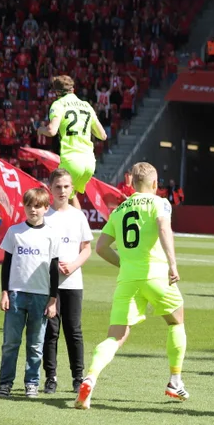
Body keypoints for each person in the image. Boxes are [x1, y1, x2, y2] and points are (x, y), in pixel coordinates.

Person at [76, 162, 187, 410]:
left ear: (130, 183)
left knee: (115, 336)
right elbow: (163, 227)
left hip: (128, 279)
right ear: (156, 184)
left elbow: (101, 247)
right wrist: (172, 264)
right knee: (176, 320)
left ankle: (90, 377)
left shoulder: (119, 210)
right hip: (156, 274)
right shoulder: (160, 203)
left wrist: (125, 264)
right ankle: (175, 381)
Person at [0, 187, 60, 399]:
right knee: (10, 343)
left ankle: (31, 383)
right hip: (16, 294)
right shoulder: (14, 232)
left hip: (41, 297)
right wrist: (4, 292)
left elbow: (54, 269)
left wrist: (53, 299)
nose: (33, 210)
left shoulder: (52, 235)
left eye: (37, 206)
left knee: (35, 345)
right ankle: (5, 384)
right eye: (29, 205)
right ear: (23, 206)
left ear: (45, 208)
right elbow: (6, 265)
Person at [43, 169, 93, 394]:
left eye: (66, 186)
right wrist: (51, 266)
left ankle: (77, 376)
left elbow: (86, 248)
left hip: (73, 282)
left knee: (73, 330)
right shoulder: (44, 216)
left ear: (72, 188)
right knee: (50, 331)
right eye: (57, 187)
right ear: (50, 189)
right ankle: (50, 377)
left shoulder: (78, 216)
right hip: (48, 284)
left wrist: (73, 265)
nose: (62, 191)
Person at [38, 75, 107, 210]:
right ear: (73, 89)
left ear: (57, 92)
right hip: (89, 163)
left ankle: (56, 229)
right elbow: (103, 135)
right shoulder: (86, 105)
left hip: (71, 160)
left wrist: (40, 130)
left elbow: (51, 130)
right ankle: (78, 229)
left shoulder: (58, 104)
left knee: (55, 197)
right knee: (71, 196)